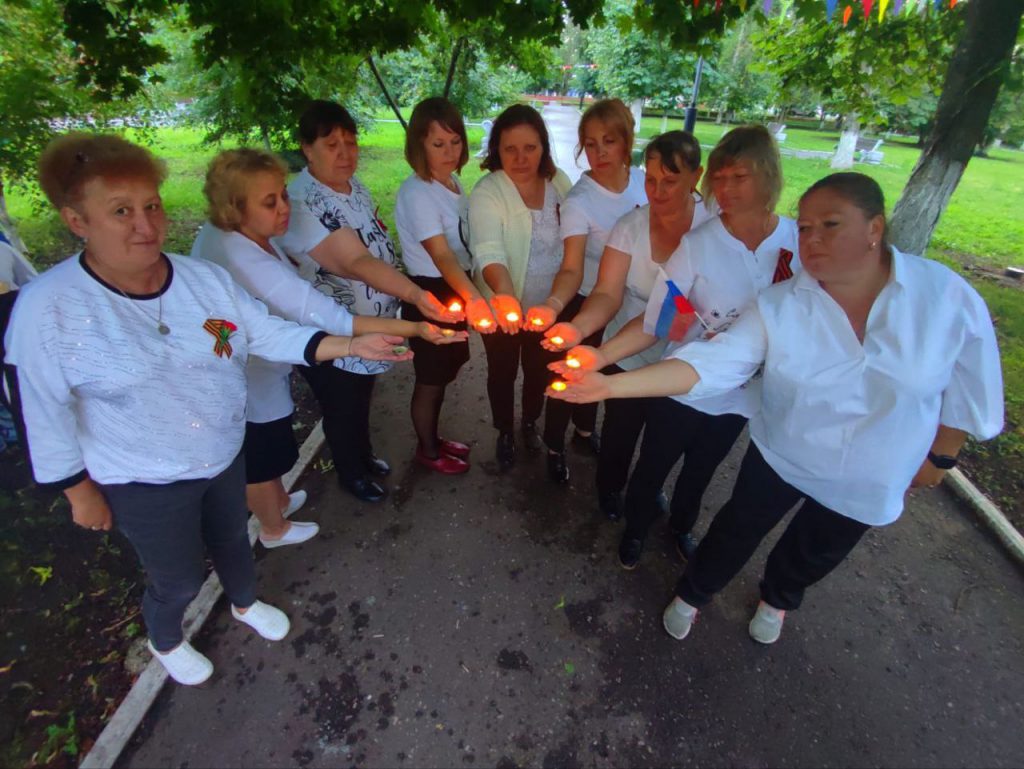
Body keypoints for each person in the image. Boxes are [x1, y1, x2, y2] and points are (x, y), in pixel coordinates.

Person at [4, 133, 412, 685]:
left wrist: (350, 344)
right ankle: (166, 639)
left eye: (152, 206)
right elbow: (40, 408)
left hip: (222, 451)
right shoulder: (49, 308)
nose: (145, 225)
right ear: (77, 220)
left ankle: (244, 602)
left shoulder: (201, 281)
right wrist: (78, 491)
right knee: (177, 579)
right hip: (142, 477)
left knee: (233, 542)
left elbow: (265, 331)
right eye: (121, 211)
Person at [549, 172, 1004, 645]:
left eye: (830, 224)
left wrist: (942, 456)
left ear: (874, 227)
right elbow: (710, 362)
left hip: (871, 475)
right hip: (785, 454)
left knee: (817, 548)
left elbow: (969, 382)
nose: (812, 239)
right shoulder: (781, 305)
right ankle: (693, 592)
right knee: (736, 528)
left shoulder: (944, 297)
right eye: (804, 228)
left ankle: (778, 598)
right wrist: (608, 385)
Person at [193, 149, 467, 544]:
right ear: (234, 208)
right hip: (243, 376)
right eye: (270, 202)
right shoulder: (243, 259)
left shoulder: (239, 233)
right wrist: (416, 328)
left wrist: (411, 310)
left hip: (267, 358)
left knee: (274, 442)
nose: (285, 208)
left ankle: (279, 501)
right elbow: (329, 316)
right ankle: (273, 528)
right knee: (261, 453)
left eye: (283, 194)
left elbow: (347, 266)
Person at [561, 125, 799, 569]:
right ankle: (635, 528)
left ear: (768, 175)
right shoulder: (698, 246)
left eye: (739, 177)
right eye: (721, 178)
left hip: (742, 395)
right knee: (652, 461)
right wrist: (602, 355)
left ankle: (682, 525)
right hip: (683, 386)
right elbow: (662, 322)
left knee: (703, 467)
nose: (726, 189)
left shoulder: (797, 241)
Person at [278, 100, 461, 503]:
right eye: (331, 145)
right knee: (341, 403)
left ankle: (362, 455)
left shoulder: (352, 186)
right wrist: (415, 293)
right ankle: (351, 473)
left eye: (351, 142)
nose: (345, 154)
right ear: (307, 149)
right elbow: (356, 262)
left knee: (361, 394)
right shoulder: (304, 202)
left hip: (371, 324)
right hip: (332, 329)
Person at [544, 130, 711, 519]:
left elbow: (681, 312)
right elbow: (606, 293)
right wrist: (578, 329)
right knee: (620, 428)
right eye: (651, 180)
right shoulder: (630, 226)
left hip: (684, 356)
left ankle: (647, 490)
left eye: (670, 181)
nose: (657, 192)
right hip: (626, 346)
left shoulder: (711, 228)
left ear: (696, 176)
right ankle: (609, 488)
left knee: (664, 438)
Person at [540, 98, 648, 467]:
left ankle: (585, 431)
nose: (599, 152)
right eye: (590, 144)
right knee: (569, 376)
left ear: (627, 141)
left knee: (601, 372)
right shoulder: (580, 201)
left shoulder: (642, 181)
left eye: (609, 141)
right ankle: (554, 446)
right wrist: (555, 305)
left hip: (629, 305)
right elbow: (571, 268)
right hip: (587, 302)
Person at [466, 103, 573, 476]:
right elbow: (488, 251)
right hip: (503, 305)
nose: (521, 158)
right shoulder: (488, 191)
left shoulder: (559, 183)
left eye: (530, 147)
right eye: (510, 148)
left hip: (549, 304)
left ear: (543, 147)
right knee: (502, 370)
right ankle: (504, 430)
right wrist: (506, 296)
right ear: (497, 149)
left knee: (539, 370)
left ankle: (529, 422)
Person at [394, 97, 492, 475]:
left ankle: (433, 437)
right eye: (438, 144)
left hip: (453, 288)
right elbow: (442, 255)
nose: (449, 152)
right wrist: (474, 298)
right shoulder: (418, 192)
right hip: (430, 292)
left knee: (447, 368)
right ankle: (429, 450)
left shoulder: (451, 182)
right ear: (419, 144)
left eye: (455, 141)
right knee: (430, 379)